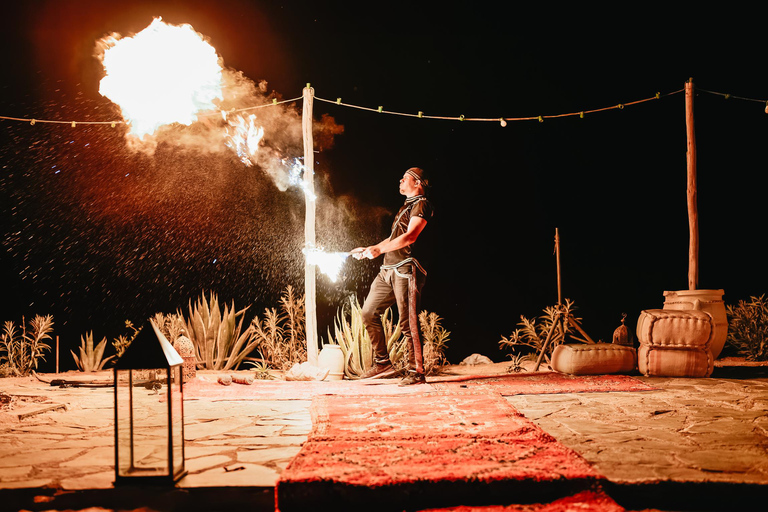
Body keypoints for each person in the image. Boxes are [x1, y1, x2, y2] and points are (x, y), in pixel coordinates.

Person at [352, 167, 433, 386]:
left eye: (404, 178)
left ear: (418, 183)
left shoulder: (421, 204)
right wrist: (371, 248)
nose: (400, 180)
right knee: (369, 312)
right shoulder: (405, 208)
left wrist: (379, 250)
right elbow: (393, 238)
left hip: (406, 267)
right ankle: (383, 363)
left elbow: (410, 237)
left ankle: (416, 371)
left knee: (408, 321)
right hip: (387, 269)